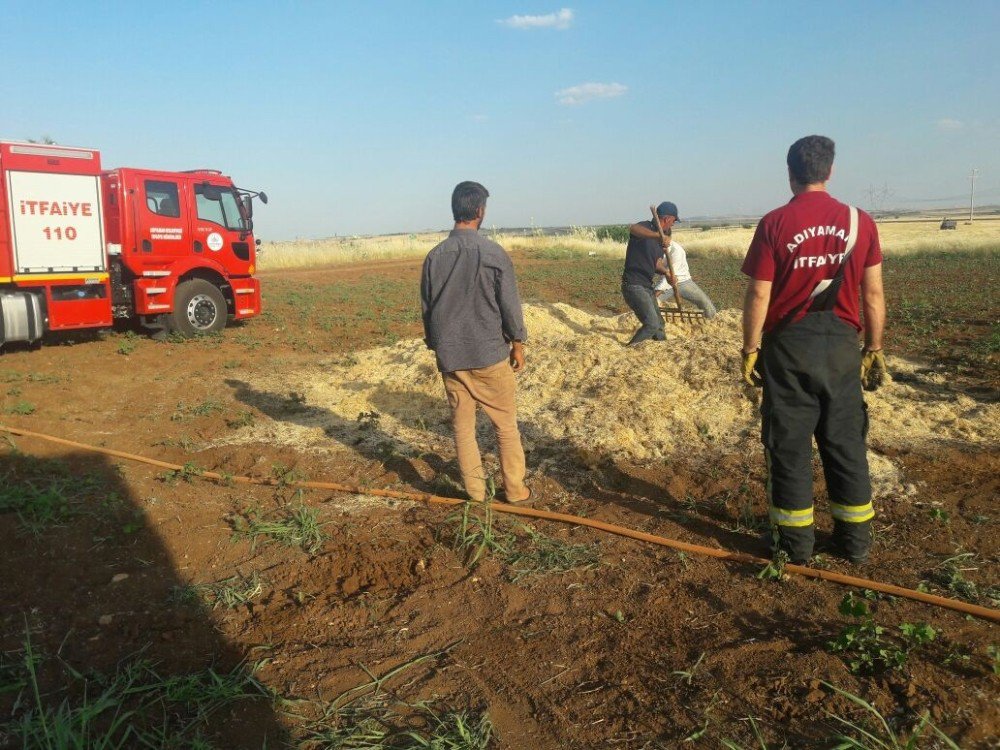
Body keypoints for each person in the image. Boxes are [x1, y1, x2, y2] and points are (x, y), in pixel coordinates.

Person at [740, 135, 888, 565]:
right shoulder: (861, 222)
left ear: (790, 173)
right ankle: (855, 542)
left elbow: (758, 295)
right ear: (830, 170)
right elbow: (874, 294)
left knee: (789, 446)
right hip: (842, 346)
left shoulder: (774, 224)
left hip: (789, 348)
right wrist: (874, 348)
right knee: (845, 443)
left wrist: (750, 348)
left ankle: (795, 546)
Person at [420, 181, 532, 504]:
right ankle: (515, 491)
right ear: (480, 211)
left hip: (451, 358)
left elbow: (428, 310)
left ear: (455, 209)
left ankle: (475, 493)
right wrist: (518, 344)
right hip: (489, 354)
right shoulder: (494, 253)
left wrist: (437, 345)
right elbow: (510, 305)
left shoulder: (434, 257)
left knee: (463, 429)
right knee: (506, 426)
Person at [629, 220, 718, 319]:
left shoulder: (677, 251)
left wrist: (656, 293)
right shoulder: (654, 248)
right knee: (651, 304)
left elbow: (671, 277)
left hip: (683, 282)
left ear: (668, 238)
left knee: (705, 304)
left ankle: (712, 320)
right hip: (667, 283)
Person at [621, 201, 679, 345]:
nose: (673, 224)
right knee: (652, 324)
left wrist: (666, 273)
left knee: (659, 325)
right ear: (667, 219)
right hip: (633, 285)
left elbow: (656, 263)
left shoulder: (662, 238)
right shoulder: (645, 228)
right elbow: (633, 228)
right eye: (673, 221)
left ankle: (663, 350)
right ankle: (628, 351)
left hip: (646, 286)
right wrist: (657, 236)